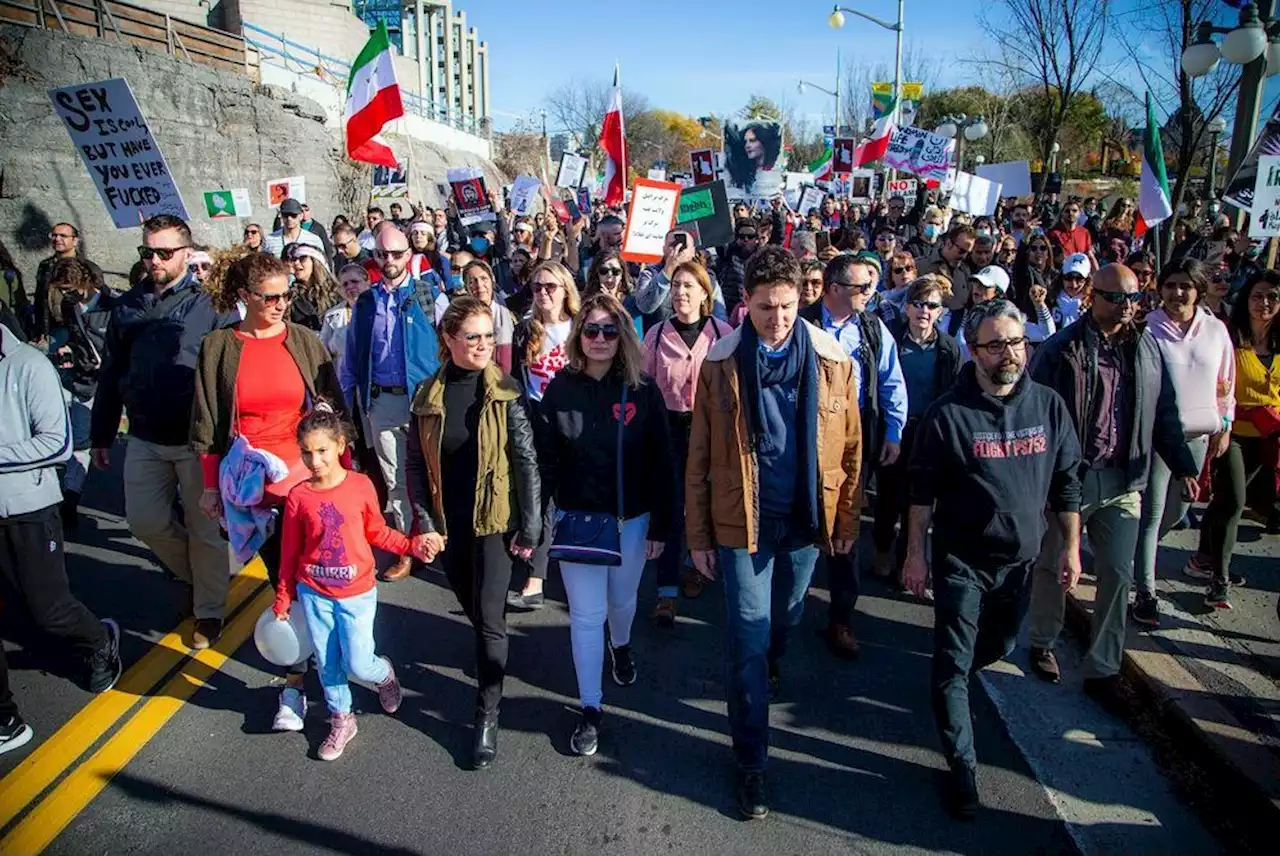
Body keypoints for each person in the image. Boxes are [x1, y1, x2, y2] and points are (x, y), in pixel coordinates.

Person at [686, 246, 861, 819]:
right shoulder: (720, 363)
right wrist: (699, 536)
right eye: (765, 308)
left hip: (807, 522)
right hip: (745, 525)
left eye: (786, 307)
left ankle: (771, 661)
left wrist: (847, 522)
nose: (777, 319)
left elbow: (852, 448)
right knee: (748, 640)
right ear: (747, 305)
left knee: (785, 618)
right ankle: (752, 763)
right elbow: (700, 456)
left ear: (801, 300)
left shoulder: (835, 361)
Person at [903, 299, 1082, 819]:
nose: (1009, 353)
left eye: (1016, 341)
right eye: (996, 344)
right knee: (954, 663)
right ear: (973, 350)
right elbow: (921, 494)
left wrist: (1069, 547)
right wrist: (916, 555)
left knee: (1001, 644)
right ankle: (963, 768)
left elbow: (1068, 486)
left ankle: (949, 680)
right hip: (962, 560)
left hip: (1021, 563)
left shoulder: (1048, 407)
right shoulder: (947, 414)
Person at [1026, 264, 1198, 707]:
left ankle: (1103, 667)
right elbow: (1033, 413)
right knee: (1053, 566)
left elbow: (1165, 411)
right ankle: (1042, 640)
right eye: (1116, 298)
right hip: (1070, 482)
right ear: (1092, 297)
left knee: (1119, 574)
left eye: (1134, 298)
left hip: (1124, 481)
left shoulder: (1147, 348)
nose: (1127, 307)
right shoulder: (1060, 350)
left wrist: (1183, 465)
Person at [534, 293, 675, 757]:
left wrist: (661, 526)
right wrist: (538, 522)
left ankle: (623, 643)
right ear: (578, 336)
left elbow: (663, 463)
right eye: (590, 330)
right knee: (585, 616)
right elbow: (544, 461)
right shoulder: (560, 388)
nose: (599, 339)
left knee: (623, 600)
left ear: (623, 336)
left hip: (632, 520)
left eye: (609, 330)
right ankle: (590, 707)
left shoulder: (643, 390)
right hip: (579, 522)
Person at [405, 297, 541, 769]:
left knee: (488, 619)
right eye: (473, 337)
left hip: (496, 520)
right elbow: (417, 468)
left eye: (488, 336)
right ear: (448, 339)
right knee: (474, 608)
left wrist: (531, 522)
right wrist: (425, 521)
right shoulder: (426, 395)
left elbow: (526, 459)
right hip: (450, 524)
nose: (484, 345)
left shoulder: (506, 390)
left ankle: (486, 714)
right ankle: (493, 651)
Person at [90, 215, 235, 645]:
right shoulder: (128, 305)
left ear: (187, 255)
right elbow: (112, 371)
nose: (153, 259)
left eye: (163, 252)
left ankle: (209, 609)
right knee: (144, 520)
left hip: (196, 438)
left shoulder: (211, 303)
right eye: (147, 252)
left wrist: (228, 437)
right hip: (144, 436)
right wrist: (100, 433)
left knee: (205, 528)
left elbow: (227, 373)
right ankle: (193, 574)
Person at [0, 320, 123, 756]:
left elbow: (56, 443)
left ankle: (98, 642)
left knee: (47, 610)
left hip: (29, 507)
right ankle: (4, 717)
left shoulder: (29, 366)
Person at [273, 407, 417, 760]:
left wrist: (410, 545)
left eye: (321, 450)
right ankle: (341, 718)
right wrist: (283, 597)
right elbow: (290, 552)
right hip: (314, 592)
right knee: (327, 661)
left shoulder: (360, 485)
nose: (314, 460)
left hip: (357, 594)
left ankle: (383, 675)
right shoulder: (299, 496)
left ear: (339, 445)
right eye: (306, 452)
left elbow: (376, 531)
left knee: (358, 662)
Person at [800, 253, 906, 657]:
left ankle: (841, 617)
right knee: (802, 519)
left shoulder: (873, 329)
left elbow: (892, 382)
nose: (870, 293)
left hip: (853, 439)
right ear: (835, 289)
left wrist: (893, 431)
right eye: (862, 287)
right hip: (805, 436)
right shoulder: (801, 323)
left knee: (847, 527)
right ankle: (782, 610)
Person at [1131, 260, 1234, 627]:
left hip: (1200, 434)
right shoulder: (1147, 330)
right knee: (1153, 513)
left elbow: (1226, 382)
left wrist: (1225, 425)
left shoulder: (1216, 330)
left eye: (1185, 286)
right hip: (1159, 437)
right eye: (1171, 285)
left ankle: (1135, 556)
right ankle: (1145, 591)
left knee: (1180, 511)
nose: (1177, 293)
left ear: (1199, 289)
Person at [339, 222, 442, 583]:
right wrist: (341, 405)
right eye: (382, 254)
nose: (390, 260)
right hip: (381, 402)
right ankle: (405, 547)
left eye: (397, 253)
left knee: (434, 476)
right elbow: (352, 357)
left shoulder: (430, 296)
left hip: (424, 403)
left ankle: (437, 540)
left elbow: (448, 348)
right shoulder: (365, 302)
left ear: (408, 255)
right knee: (396, 480)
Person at [641, 261, 734, 624]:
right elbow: (644, 389)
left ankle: (698, 566)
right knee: (671, 505)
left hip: (709, 429)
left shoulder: (723, 333)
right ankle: (666, 591)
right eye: (676, 285)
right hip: (668, 428)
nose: (680, 292)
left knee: (704, 503)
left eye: (688, 286)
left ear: (704, 294)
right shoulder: (657, 334)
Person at [1183, 272, 1280, 609]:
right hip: (1233, 432)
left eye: (1272, 297)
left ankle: (1203, 555)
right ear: (1246, 299)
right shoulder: (1230, 337)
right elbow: (1220, 385)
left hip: (1270, 437)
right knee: (1235, 501)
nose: (1264, 303)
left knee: (1226, 500)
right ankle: (1219, 582)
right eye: (1257, 295)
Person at [874, 275, 960, 584]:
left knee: (919, 501)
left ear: (940, 312)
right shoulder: (891, 340)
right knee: (888, 497)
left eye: (932, 305)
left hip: (929, 434)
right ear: (907, 308)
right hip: (895, 429)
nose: (924, 311)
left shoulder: (949, 349)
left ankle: (905, 560)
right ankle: (881, 550)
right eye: (918, 304)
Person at [507, 261, 580, 608]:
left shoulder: (580, 328)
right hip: (536, 422)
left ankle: (579, 565)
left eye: (550, 286)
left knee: (576, 494)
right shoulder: (525, 329)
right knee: (542, 496)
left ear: (565, 289)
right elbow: (514, 377)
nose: (543, 293)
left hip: (576, 421)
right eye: (537, 287)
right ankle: (535, 578)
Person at [42, 258, 117, 531]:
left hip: (118, 382)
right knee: (80, 441)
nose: (65, 294)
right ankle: (71, 498)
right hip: (86, 381)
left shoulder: (114, 305)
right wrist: (69, 350)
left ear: (84, 281)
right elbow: (76, 338)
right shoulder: (70, 307)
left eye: (69, 288)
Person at [634, 231, 728, 330]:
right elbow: (645, 306)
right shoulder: (651, 273)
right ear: (664, 249)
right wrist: (667, 272)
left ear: (693, 251)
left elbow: (720, 317)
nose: (678, 249)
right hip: (661, 338)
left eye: (684, 245)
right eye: (672, 245)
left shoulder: (705, 277)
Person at [34, 223, 103, 341]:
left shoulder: (88, 268)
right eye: (54, 235)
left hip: (81, 330)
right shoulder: (45, 266)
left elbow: (99, 301)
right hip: (52, 330)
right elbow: (40, 299)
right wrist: (40, 330)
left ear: (75, 240)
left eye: (63, 236)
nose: (57, 239)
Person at [461, 260, 516, 371]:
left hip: (510, 381)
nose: (479, 285)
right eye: (472, 281)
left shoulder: (508, 306)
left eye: (484, 279)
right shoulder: (462, 317)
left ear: (492, 282)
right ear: (466, 287)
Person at [319, 264, 371, 375]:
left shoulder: (380, 309)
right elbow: (323, 353)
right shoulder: (331, 315)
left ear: (367, 281)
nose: (350, 287)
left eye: (355, 281)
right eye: (345, 284)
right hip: (343, 379)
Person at [918, 224, 976, 311]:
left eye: (968, 253)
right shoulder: (922, 265)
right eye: (961, 251)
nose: (964, 256)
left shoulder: (965, 271)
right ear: (949, 243)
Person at [283, 243, 339, 331]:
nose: (296, 263)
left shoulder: (336, 291)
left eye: (302, 258)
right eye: (294, 259)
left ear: (316, 262)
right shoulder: (292, 295)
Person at [1045, 200, 1095, 270]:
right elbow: (1048, 257)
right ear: (1062, 213)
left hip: (1081, 273)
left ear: (1080, 213)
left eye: (1074, 211)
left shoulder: (1085, 232)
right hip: (1062, 274)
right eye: (1067, 211)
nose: (1071, 213)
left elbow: (1090, 256)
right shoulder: (1053, 233)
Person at [874, 250, 920, 326]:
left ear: (914, 272)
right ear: (891, 276)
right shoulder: (881, 297)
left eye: (908, 268)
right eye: (898, 270)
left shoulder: (920, 292)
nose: (904, 272)